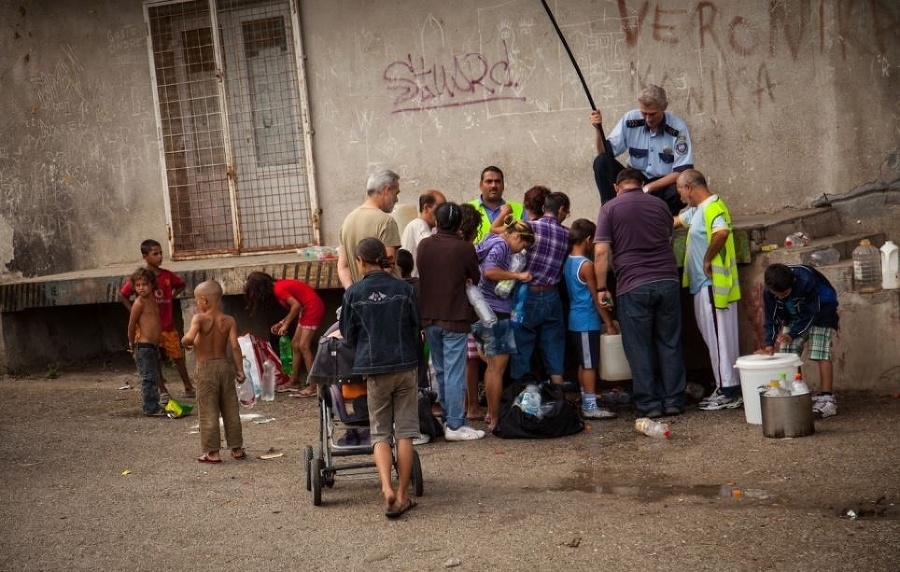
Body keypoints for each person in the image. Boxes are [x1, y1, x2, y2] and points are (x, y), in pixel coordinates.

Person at [594, 168, 686, 418]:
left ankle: (650, 404)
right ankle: (674, 400)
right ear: (643, 184)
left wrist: (602, 287)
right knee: (669, 341)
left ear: (616, 186)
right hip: (667, 280)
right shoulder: (659, 206)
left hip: (633, 284)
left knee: (639, 346)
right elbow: (668, 238)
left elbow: (601, 252)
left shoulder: (609, 208)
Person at [340, 238, 421, 517]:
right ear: (383, 259)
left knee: (380, 432)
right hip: (405, 366)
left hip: (374, 370)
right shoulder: (403, 288)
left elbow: (349, 337)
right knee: (406, 431)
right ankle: (403, 494)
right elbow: (415, 328)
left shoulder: (353, 293)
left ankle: (386, 487)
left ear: (361, 261)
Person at [674, 170, 743, 411]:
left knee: (718, 338)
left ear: (690, 187)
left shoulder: (713, 206)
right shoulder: (699, 210)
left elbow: (721, 232)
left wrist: (707, 259)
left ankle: (728, 391)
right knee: (714, 338)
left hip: (713, 288)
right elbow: (676, 220)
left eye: (681, 190)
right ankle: (725, 387)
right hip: (703, 288)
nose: (680, 196)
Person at [417, 202, 485, 441]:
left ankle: (448, 419)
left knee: (442, 371)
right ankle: (455, 423)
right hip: (454, 316)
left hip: (429, 317)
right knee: (455, 371)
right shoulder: (464, 248)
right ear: (458, 224)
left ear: (436, 221)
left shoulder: (424, 246)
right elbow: (474, 276)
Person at [590, 85, 693, 215]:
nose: (648, 119)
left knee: (681, 188)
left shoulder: (678, 128)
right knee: (601, 162)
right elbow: (603, 153)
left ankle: (662, 224)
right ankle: (609, 213)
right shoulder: (630, 119)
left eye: (653, 114)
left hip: (661, 184)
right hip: (633, 178)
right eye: (644, 113)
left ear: (664, 106)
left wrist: (647, 188)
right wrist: (598, 129)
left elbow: (682, 171)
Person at [472, 217, 535, 430]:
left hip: (482, 309)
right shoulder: (501, 245)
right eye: (523, 245)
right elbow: (489, 271)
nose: (521, 251)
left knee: (490, 365)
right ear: (516, 236)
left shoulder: (492, 238)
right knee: (497, 368)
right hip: (494, 311)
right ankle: (496, 419)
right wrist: (517, 275)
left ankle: (491, 413)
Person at [759, 263, 840, 418]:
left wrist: (793, 334)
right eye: (777, 295)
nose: (780, 297)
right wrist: (769, 343)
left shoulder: (806, 280)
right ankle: (797, 393)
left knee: (819, 352)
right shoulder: (770, 290)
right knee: (788, 355)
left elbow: (811, 313)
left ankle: (827, 398)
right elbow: (771, 317)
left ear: (794, 282)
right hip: (794, 317)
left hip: (821, 313)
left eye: (785, 294)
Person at [120, 239, 195, 402]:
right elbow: (123, 294)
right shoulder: (141, 279)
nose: (160, 256)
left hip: (167, 325)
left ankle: (188, 387)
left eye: (161, 253)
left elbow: (180, 284)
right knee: (154, 359)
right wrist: (134, 311)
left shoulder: (167, 275)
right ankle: (162, 390)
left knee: (177, 356)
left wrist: (171, 296)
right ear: (145, 256)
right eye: (155, 254)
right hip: (148, 331)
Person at [181, 280, 245, 464]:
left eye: (196, 301)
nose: (196, 305)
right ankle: (237, 448)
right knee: (231, 409)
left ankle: (212, 453)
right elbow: (234, 346)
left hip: (206, 369)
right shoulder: (229, 320)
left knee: (208, 410)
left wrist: (185, 341)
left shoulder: (199, 319)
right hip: (225, 367)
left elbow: (190, 338)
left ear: (205, 301)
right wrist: (239, 370)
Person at [510, 190, 570, 385]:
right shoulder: (567, 234)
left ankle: (521, 396)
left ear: (544, 208)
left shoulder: (529, 228)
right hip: (552, 295)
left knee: (521, 345)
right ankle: (558, 391)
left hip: (526, 295)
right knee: (554, 344)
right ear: (561, 210)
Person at [563, 219, 619, 420]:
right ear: (588, 239)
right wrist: (610, 323)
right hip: (587, 320)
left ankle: (585, 396)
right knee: (589, 365)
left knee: (583, 362)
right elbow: (597, 299)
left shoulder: (568, 260)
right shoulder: (586, 265)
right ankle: (590, 404)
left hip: (575, 319)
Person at [243, 272, 325, 397]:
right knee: (295, 345)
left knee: (303, 346)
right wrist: (283, 322)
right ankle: (294, 381)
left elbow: (296, 306)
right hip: (307, 309)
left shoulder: (279, 289)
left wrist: (286, 325)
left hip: (312, 309)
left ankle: (314, 385)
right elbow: (298, 305)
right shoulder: (278, 286)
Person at [337, 169, 403, 288]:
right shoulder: (386, 221)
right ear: (387, 191)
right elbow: (388, 265)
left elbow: (343, 267)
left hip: (361, 301)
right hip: (387, 297)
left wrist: (353, 292)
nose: (397, 200)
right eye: (396, 193)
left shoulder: (347, 221)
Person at [458, 203, 487, 420]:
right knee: (472, 360)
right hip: (468, 307)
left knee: (465, 359)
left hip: (454, 309)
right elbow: (473, 278)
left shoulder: (446, 243)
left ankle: (467, 404)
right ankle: (473, 407)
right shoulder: (465, 247)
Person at [126, 268, 166, 417]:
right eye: (138, 285)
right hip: (143, 346)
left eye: (144, 284)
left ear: (152, 285)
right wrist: (131, 344)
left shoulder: (153, 300)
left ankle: (154, 404)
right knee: (147, 378)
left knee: (153, 376)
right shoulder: (139, 303)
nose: (141, 288)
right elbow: (131, 325)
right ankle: (150, 407)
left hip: (153, 346)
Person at [469, 166, 524, 243]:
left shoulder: (520, 209)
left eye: (497, 181)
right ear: (481, 185)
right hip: (476, 254)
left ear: (503, 185)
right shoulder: (469, 209)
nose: (493, 185)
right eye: (489, 181)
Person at [400, 190, 446, 277]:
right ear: (426, 208)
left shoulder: (422, 226)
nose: (443, 213)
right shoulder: (419, 225)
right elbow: (435, 251)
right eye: (441, 209)